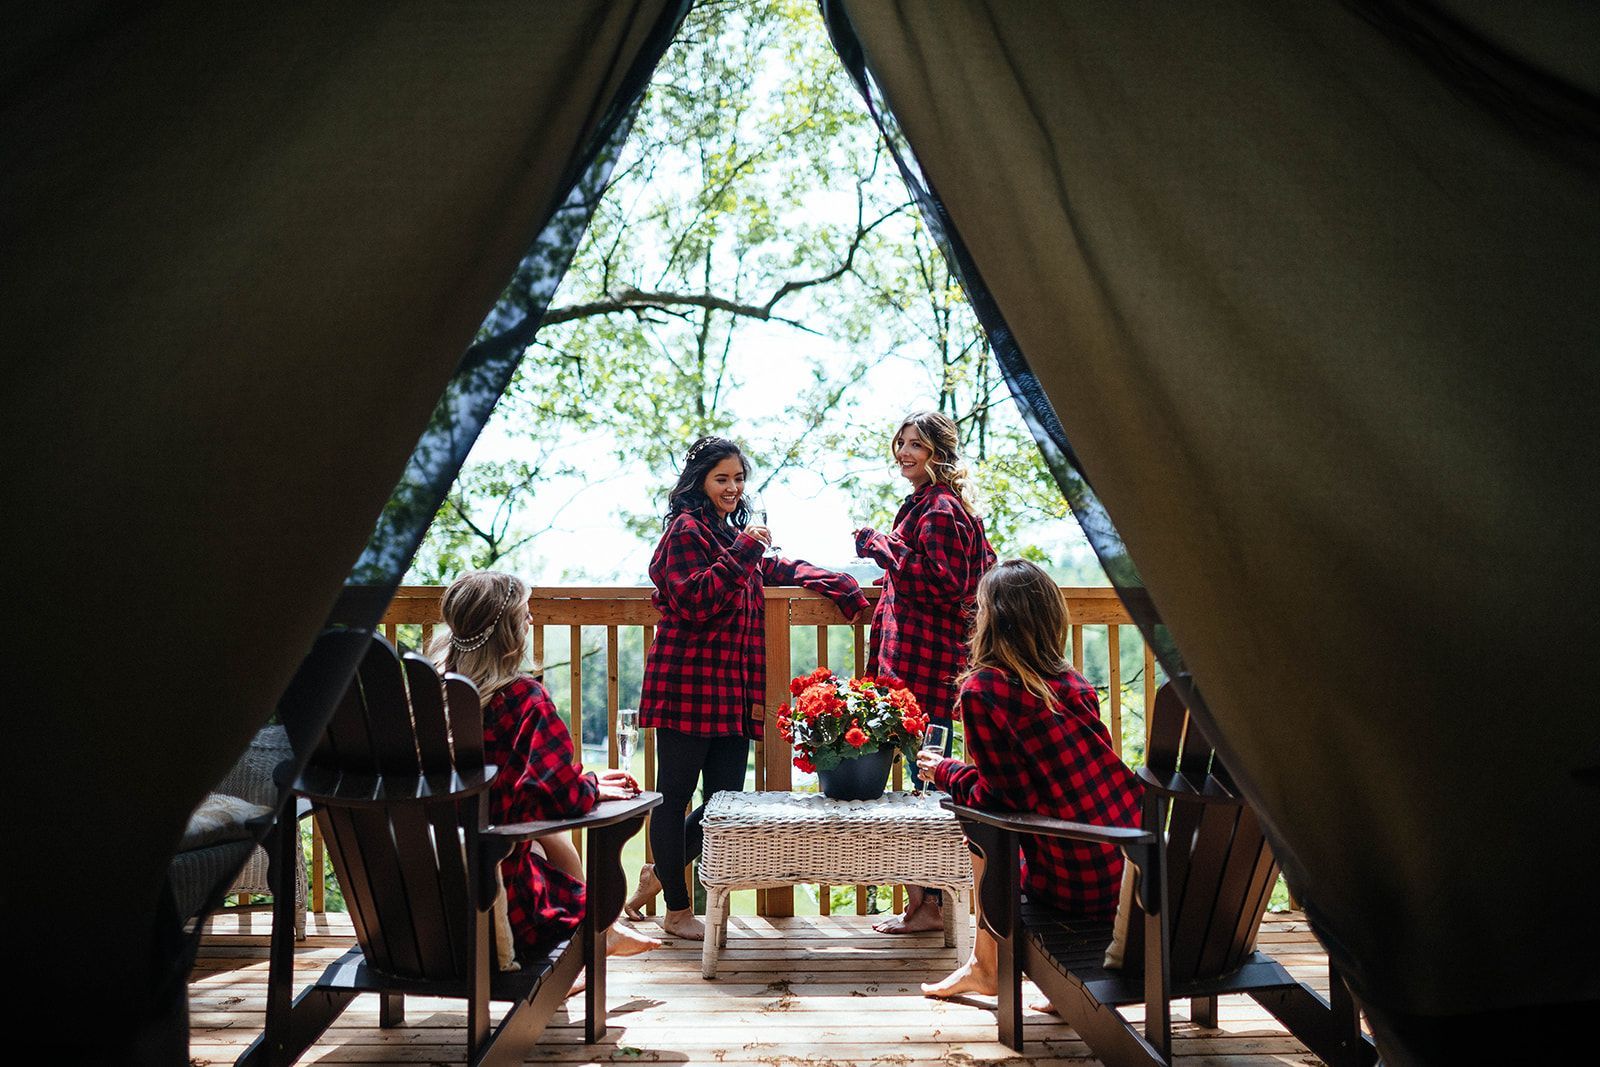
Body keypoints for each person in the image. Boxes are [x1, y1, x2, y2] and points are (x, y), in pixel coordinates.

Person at [625, 435, 869, 940]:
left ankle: (662, 873)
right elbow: (696, 600)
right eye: (722, 478)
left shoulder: (725, 533)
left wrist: (836, 582)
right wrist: (746, 549)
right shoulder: (685, 532)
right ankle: (676, 909)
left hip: (732, 687)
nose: (733, 488)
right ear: (699, 482)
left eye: (739, 479)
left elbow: (776, 568)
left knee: (724, 802)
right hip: (686, 683)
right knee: (674, 797)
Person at [918, 559, 1143, 1000]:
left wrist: (943, 771)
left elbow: (997, 798)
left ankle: (986, 967)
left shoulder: (984, 691)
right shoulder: (1073, 683)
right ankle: (1049, 984)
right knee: (994, 828)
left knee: (981, 833)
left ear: (992, 620)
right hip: (1132, 867)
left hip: (1076, 884)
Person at [430, 570, 661, 964]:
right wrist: (586, 788)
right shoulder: (523, 700)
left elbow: (518, 787)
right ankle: (597, 938)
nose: (532, 620)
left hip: (427, 894)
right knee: (559, 855)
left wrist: (581, 781)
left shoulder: (431, 697)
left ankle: (604, 936)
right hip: (504, 899)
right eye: (525, 613)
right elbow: (553, 796)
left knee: (544, 840)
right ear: (507, 632)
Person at [854, 410, 995, 934]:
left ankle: (933, 905)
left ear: (938, 452)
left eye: (916, 444)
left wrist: (878, 545)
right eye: (901, 443)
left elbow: (939, 583)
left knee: (927, 781)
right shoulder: (930, 506)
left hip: (927, 666)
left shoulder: (937, 509)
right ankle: (925, 902)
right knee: (921, 780)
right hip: (918, 664)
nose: (905, 453)